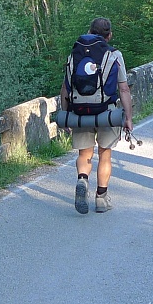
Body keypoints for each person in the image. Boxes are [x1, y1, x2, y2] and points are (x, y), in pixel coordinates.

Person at [60, 17, 133, 214]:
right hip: (106, 112)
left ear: (90, 31)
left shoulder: (74, 55)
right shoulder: (114, 55)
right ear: (109, 35)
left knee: (84, 154)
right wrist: (128, 117)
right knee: (104, 154)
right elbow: (124, 89)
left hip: (80, 112)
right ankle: (101, 198)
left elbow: (66, 89)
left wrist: (65, 114)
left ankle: (82, 179)